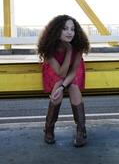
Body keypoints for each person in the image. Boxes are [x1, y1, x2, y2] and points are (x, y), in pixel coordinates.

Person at [38, 14, 90, 147]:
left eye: (72, 29)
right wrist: (68, 51)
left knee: (72, 86)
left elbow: (72, 71)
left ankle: (81, 129)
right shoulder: (48, 47)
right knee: (58, 83)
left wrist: (63, 86)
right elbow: (60, 72)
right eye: (65, 28)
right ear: (56, 30)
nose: (70, 32)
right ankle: (49, 128)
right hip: (56, 71)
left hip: (73, 71)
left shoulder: (78, 44)